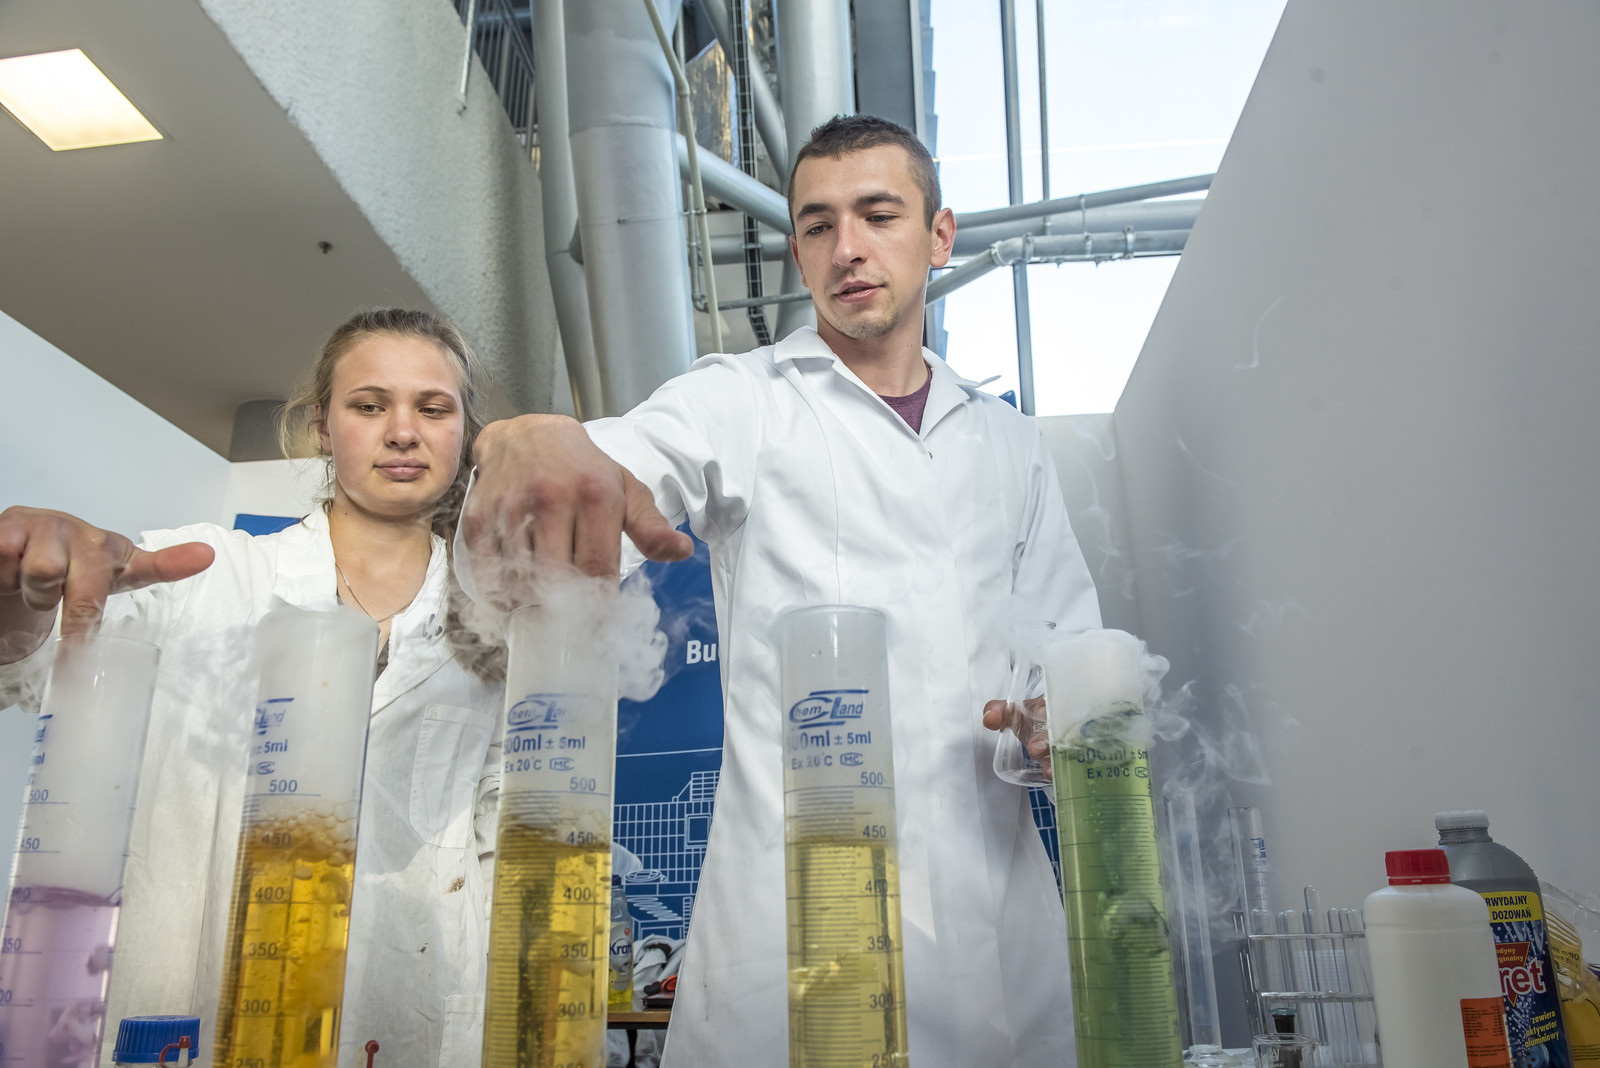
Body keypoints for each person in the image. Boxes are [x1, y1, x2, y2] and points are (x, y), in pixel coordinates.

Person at [460, 115, 1102, 1067]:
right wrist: (536, 445)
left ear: (939, 236)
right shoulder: (745, 398)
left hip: (1005, 945)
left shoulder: (1009, 443)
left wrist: (1057, 721)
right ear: (798, 253)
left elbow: (1069, 655)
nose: (848, 247)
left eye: (878, 215)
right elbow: (617, 462)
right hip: (797, 937)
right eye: (818, 225)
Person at [0, 309, 504, 1065]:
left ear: (463, 433)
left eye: (433, 409)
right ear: (323, 428)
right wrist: (21, 591)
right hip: (192, 1010)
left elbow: (497, 845)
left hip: (405, 1017)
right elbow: (29, 667)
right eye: (370, 405)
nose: (403, 432)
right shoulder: (204, 571)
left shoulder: (494, 627)